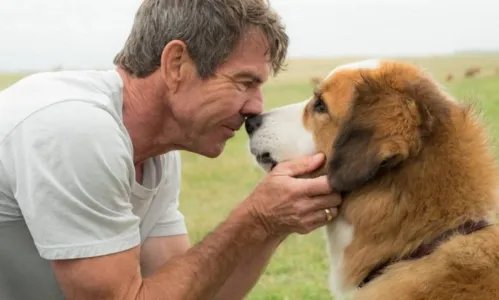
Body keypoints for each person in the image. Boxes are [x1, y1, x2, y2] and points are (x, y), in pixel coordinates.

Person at [0, 0, 342, 299]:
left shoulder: (155, 155)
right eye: (244, 83)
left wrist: (273, 225)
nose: (256, 107)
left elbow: (193, 293)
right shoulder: (75, 129)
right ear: (176, 64)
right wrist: (255, 218)